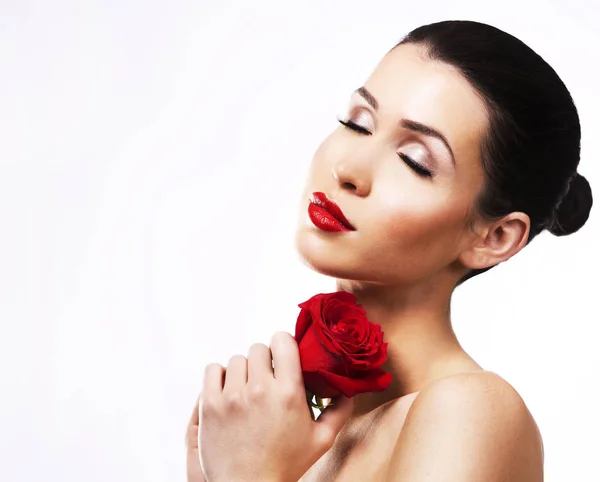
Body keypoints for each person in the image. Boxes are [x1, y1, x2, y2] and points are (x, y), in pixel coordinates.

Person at [186, 20, 593, 481]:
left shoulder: (471, 410)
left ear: (494, 237)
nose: (348, 168)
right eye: (357, 123)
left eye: (414, 160)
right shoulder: (292, 435)